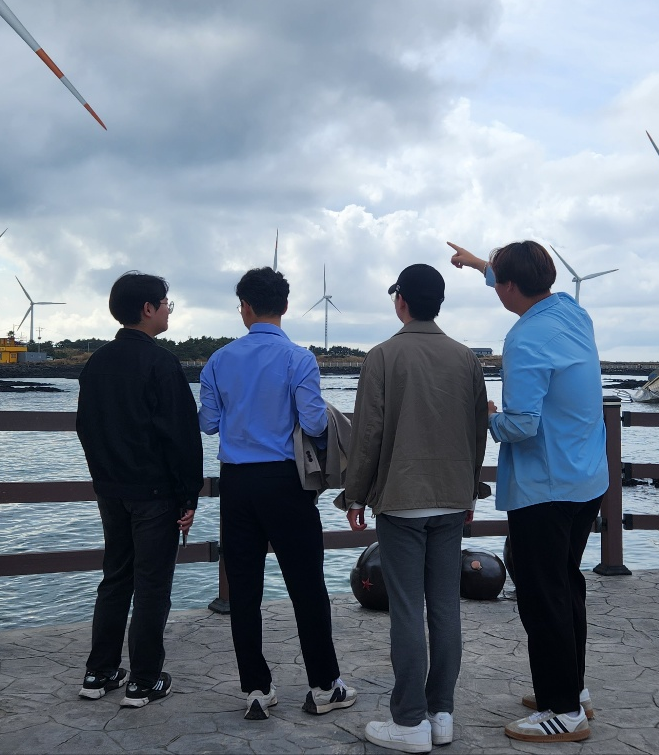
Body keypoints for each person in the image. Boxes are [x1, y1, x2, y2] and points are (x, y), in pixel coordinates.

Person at [447, 240, 609, 744]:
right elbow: (518, 282)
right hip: (587, 478)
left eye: (498, 281)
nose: (496, 288)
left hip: (546, 487)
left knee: (542, 596)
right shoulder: (572, 312)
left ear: (510, 286)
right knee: (564, 583)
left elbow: (521, 425)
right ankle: (572, 689)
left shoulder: (524, 338)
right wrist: (481, 265)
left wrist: (490, 417)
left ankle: (563, 712)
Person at [341, 264, 489, 754]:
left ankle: (408, 721)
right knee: (445, 607)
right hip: (452, 497)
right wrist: (469, 491)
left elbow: (368, 434)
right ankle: (440, 714)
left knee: (407, 609)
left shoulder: (382, 356)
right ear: (439, 303)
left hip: (402, 499)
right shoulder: (466, 359)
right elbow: (477, 432)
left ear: (400, 300)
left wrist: (355, 494)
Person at [199, 267, 356, 721]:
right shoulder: (298, 359)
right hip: (287, 482)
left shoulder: (218, 360)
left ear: (244, 308)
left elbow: (208, 423)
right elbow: (314, 422)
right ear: (285, 306)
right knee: (307, 586)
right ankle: (324, 686)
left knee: (244, 589)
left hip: (237, 483)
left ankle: (256, 688)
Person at [75, 271, 202, 707]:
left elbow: (85, 428)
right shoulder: (161, 363)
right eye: (166, 303)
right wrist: (188, 496)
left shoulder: (95, 363)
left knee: (115, 578)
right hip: (154, 494)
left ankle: (100, 672)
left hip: (111, 491)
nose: (168, 310)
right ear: (148, 309)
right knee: (151, 586)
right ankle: (144, 680)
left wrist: (103, 478)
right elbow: (181, 437)